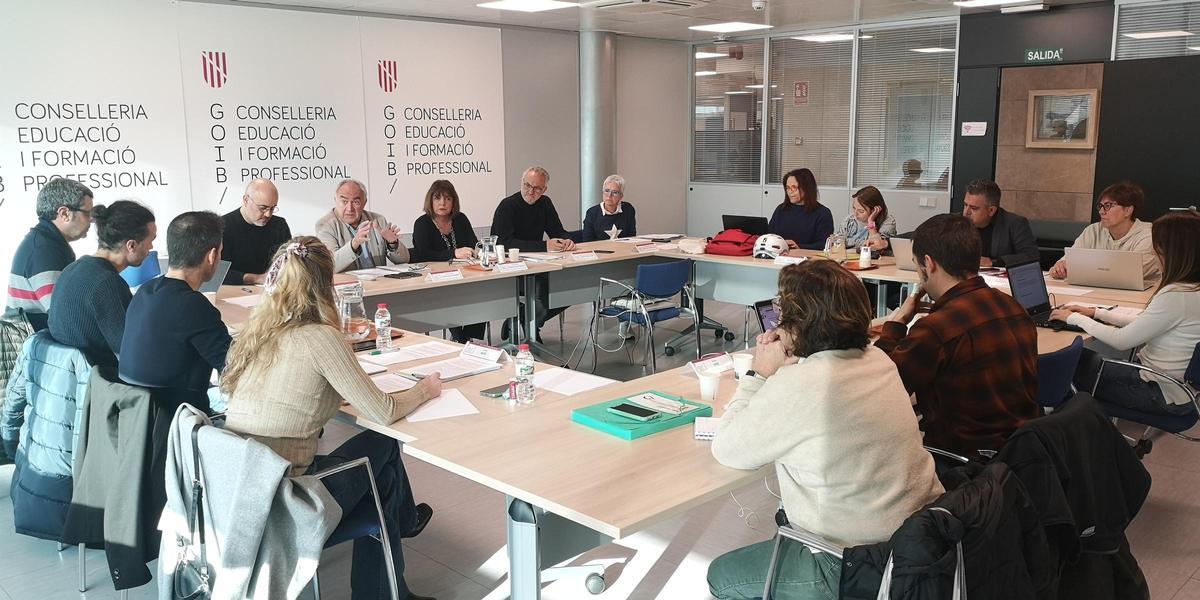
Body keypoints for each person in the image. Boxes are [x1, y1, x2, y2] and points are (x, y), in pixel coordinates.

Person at [221, 236, 441, 600]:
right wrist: (424, 390)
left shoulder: (257, 332)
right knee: (384, 443)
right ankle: (398, 544)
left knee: (382, 478)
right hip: (287, 494)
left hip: (243, 482)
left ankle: (391, 578)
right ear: (327, 284)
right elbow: (383, 411)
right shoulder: (320, 337)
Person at [708, 261, 943, 599]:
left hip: (855, 562)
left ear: (799, 324)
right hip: (920, 539)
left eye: (782, 310)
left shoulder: (803, 384)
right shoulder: (878, 360)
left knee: (723, 576)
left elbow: (727, 448)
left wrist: (759, 375)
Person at [875, 214, 1040, 458]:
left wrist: (895, 324)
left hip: (964, 463)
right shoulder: (1013, 307)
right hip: (1021, 453)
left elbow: (879, 387)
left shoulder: (936, 329)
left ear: (929, 264)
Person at [1051, 210, 1200, 418]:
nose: (1153, 254)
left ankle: (1071, 430)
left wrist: (1073, 318)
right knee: (1077, 359)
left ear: (1171, 252)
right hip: (1180, 390)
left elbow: (1122, 341)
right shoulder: (1191, 289)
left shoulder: (1177, 295)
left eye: (1156, 248)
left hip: (1158, 392)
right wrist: (1096, 312)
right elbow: (1148, 322)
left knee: (1063, 366)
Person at [119, 211, 231, 413]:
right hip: (181, 425)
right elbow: (235, 368)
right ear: (212, 256)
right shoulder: (194, 306)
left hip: (137, 421)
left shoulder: (144, 291)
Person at [49, 201, 156, 369]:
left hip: (72, 381)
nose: (151, 247)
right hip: (101, 385)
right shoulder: (106, 283)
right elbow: (131, 351)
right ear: (131, 245)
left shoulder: (74, 268)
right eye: (150, 241)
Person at [492, 166, 574, 341]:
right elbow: (504, 243)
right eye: (528, 185)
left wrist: (567, 239)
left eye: (537, 188)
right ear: (521, 183)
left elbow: (557, 230)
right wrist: (544, 246)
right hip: (512, 268)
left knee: (569, 286)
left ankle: (527, 320)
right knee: (544, 290)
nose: (531, 191)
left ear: (544, 189)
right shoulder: (507, 205)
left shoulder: (545, 203)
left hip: (538, 264)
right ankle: (530, 326)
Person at [4, 178, 94, 331]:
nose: (91, 220)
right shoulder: (44, 250)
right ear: (64, 213)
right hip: (37, 348)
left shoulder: (44, 242)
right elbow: (63, 315)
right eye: (87, 213)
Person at [410, 180, 486, 343]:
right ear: (430, 201)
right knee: (451, 295)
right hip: (435, 281)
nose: (442, 203)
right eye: (437, 198)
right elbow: (422, 254)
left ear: (454, 202)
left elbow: (473, 243)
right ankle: (461, 339)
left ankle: (465, 337)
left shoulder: (460, 219)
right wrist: (454, 253)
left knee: (484, 290)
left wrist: (479, 251)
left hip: (464, 275)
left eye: (448, 199)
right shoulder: (422, 223)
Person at [1049, 181, 1159, 283]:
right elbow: (1069, 260)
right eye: (1100, 206)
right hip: (1099, 292)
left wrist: (1082, 268)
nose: (1101, 212)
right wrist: (1061, 267)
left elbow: (1127, 275)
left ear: (1128, 210)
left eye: (1108, 206)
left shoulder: (1148, 235)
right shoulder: (1093, 231)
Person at [315, 179, 410, 273]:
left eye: (356, 202)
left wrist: (392, 244)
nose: (349, 208)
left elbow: (404, 260)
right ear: (335, 200)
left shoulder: (378, 220)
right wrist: (354, 243)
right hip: (348, 285)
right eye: (344, 201)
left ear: (364, 202)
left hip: (380, 284)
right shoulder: (325, 225)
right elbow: (331, 265)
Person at [221, 178, 291, 284]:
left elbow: (289, 262)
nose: (268, 214)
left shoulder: (279, 225)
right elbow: (216, 273)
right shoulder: (222, 227)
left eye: (272, 208)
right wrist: (256, 278)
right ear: (246, 200)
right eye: (263, 208)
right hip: (234, 292)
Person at [961, 179, 1039, 268]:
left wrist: (992, 262)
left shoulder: (1015, 223)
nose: (966, 212)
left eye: (973, 208)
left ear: (991, 210)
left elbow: (1031, 256)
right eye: (965, 205)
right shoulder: (956, 223)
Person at [768, 168, 833, 251]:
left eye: (794, 187)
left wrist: (799, 246)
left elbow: (824, 244)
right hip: (779, 256)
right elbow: (769, 235)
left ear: (806, 188)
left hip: (808, 260)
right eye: (787, 188)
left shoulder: (822, 213)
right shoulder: (781, 209)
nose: (790, 192)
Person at [837, 185, 897, 252]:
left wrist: (871, 223)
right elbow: (838, 243)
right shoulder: (850, 220)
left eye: (861, 211)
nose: (855, 214)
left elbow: (876, 247)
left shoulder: (888, 222)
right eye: (854, 208)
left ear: (874, 210)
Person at [582, 174, 637, 242]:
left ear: (621, 196)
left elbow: (632, 238)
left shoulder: (628, 209)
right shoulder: (592, 213)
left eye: (615, 192)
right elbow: (587, 242)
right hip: (600, 251)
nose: (609, 195)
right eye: (607, 191)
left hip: (624, 251)